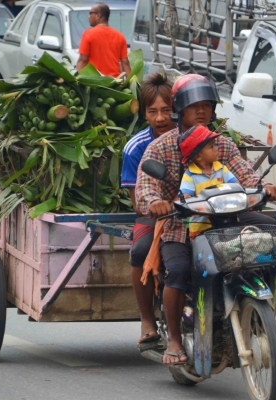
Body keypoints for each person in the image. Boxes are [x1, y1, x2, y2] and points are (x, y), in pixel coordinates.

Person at [135, 74, 276, 365]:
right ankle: (175, 342)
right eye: (194, 106)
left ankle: (259, 314)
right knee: (177, 271)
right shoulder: (161, 148)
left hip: (227, 219)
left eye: (207, 105)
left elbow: (245, 175)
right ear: (179, 108)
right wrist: (155, 202)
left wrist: (265, 189)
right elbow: (145, 187)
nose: (201, 111)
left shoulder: (221, 145)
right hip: (181, 225)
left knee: (271, 234)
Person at [121, 73, 176, 345]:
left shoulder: (194, 138)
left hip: (196, 210)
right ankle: (146, 317)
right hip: (153, 214)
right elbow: (137, 202)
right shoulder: (135, 148)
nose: (160, 118)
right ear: (144, 114)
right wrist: (156, 205)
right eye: (153, 112)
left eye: (167, 110)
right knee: (140, 251)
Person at [178, 125, 239, 237]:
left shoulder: (221, 168)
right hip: (201, 228)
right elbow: (185, 196)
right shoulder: (190, 175)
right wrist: (189, 200)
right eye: (211, 147)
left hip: (225, 221)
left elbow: (235, 185)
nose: (216, 148)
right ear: (198, 157)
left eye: (215, 144)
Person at [76, 3, 131, 78]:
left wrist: (77, 80)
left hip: (95, 82)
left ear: (98, 15)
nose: (89, 17)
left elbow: (83, 60)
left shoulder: (88, 34)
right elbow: (125, 63)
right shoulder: (120, 36)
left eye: (90, 13)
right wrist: (131, 84)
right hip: (115, 83)